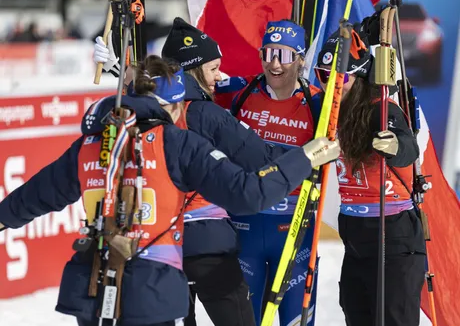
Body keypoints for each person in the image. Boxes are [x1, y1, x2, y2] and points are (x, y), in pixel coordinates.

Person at [0, 55, 340, 326]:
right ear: (175, 106)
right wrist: (303, 158)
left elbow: (36, 195)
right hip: (150, 291)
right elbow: (248, 193)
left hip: (92, 287)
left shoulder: (91, 142)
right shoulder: (176, 142)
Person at [93, 18, 288, 326]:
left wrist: (120, 72)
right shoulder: (205, 113)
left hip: (159, 242)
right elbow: (259, 158)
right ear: (192, 70)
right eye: (212, 68)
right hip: (208, 243)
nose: (219, 76)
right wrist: (306, 154)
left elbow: (131, 98)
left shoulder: (139, 112)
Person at [214, 19, 323, 326]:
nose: (275, 64)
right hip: (244, 224)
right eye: (268, 54)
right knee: (245, 319)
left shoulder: (318, 102)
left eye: (285, 55)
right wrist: (125, 69)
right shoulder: (241, 92)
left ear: (301, 59)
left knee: (295, 320)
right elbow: (184, 88)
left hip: (294, 229)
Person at [315, 28, 425, 326]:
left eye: (339, 78)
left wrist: (393, 146)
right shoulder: (330, 112)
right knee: (356, 313)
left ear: (359, 75)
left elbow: (408, 148)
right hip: (355, 234)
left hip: (392, 233)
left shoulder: (381, 108)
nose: (331, 86)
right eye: (323, 76)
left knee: (392, 318)